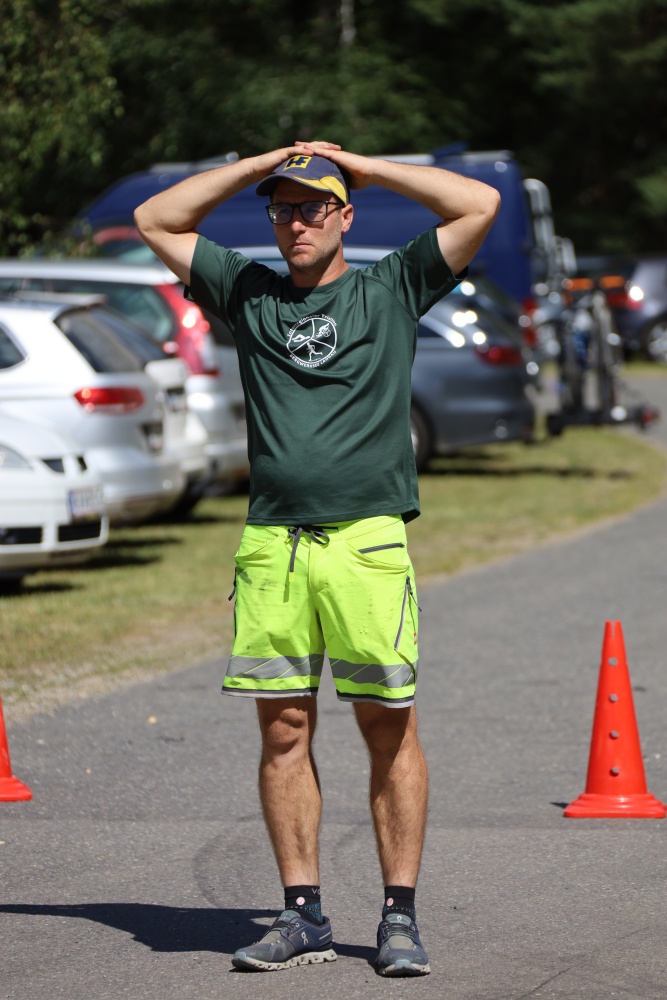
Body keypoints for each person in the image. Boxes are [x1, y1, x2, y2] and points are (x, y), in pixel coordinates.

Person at [135, 141, 500, 976]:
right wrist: (256, 163)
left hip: (367, 541)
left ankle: (398, 916)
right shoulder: (249, 291)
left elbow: (477, 204)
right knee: (284, 730)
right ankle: (302, 914)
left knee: (386, 726)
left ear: (344, 215)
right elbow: (155, 218)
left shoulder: (391, 286)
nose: (295, 223)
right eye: (282, 209)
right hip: (274, 544)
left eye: (312, 207)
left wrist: (362, 163)